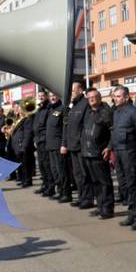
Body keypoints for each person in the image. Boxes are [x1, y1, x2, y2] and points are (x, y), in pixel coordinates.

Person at [111, 86, 136, 229]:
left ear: (126, 97)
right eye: (115, 96)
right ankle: (131, 213)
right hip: (118, 152)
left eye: (118, 96)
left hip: (130, 152)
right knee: (124, 185)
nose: (115, 99)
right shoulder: (116, 113)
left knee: (134, 185)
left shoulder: (134, 112)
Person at [81, 88, 115, 219]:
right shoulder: (89, 112)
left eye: (94, 97)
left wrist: (109, 147)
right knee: (95, 182)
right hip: (87, 152)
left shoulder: (106, 112)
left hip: (100, 153)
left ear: (100, 98)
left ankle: (107, 208)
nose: (92, 99)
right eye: (89, 98)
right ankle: (100, 206)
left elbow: (113, 131)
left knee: (104, 182)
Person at [62, 82, 93, 210]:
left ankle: (88, 199)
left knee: (85, 174)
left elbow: (86, 125)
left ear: (80, 90)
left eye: (73, 91)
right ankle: (81, 197)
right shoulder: (73, 106)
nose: (71, 94)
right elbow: (67, 126)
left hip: (81, 146)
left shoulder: (85, 104)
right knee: (77, 174)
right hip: (72, 146)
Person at [45, 93, 69, 201]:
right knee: (54, 170)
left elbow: (65, 128)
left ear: (59, 96)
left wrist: (64, 144)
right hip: (50, 145)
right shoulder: (50, 109)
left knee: (62, 170)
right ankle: (59, 191)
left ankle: (66, 193)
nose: (52, 98)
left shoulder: (63, 109)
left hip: (59, 145)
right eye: (50, 96)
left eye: (54, 95)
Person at [33, 91, 55, 197]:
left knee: (47, 165)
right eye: (39, 96)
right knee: (41, 165)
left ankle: (50, 187)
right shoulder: (39, 109)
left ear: (46, 97)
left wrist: (42, 139)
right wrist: (35, 140)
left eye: (42, 96)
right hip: (38, 141)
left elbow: (47, 127)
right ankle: (45, 185)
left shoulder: (48, 108)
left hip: (45, 140)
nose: (41, 97)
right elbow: (36, 126)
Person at [9, 106, 34, 188]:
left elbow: (28, 133)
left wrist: (24, 145)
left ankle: (27, 180)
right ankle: (23, 179)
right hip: (17, 145)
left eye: (20, 110)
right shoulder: (18, 119)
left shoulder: (27, 119)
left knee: (26, 164)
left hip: (22, 145)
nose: (18, 112)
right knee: (20, 164)